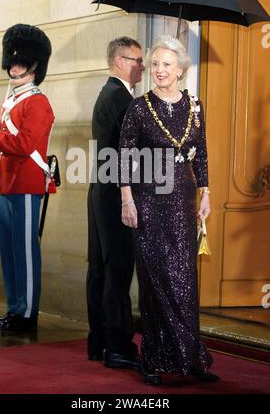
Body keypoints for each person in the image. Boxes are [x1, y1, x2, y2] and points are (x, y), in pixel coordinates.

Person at [119, 36, 220, 384]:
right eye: (156, 64)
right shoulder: (139, 108)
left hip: (183, 200)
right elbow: (124, 159)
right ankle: (154, 360)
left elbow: (202, 154)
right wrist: (127, 199)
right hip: (148, 200)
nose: (160, 70)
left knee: (184, 281)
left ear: (180, 69)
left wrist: (206, 193)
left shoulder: (195, 106)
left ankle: (191, 358)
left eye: (167, 64)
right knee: (156, 280)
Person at [0, 23, 54, 332]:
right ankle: (14, 307)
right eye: (13, 60)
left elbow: (23, 145)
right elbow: (2, 149)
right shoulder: (11, 101)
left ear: (34, 66)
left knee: (25, 251)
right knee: (8, 251)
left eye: (22, 61)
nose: (15, 65)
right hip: (8, 184)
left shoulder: (38, 103)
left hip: (27, 184)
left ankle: (28, 313)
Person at [87, 36, 145, 368]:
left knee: (99, 268)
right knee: (118, 269)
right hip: (116, 195)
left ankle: (99, 342)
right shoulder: (122, 98)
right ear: (119, 61)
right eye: (137, 60)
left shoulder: (108, 93)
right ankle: (118, 346)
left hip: (101, 190)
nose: (141, 66)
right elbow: (134, 150)